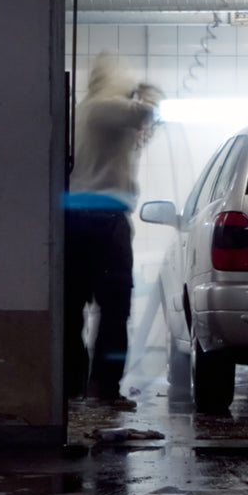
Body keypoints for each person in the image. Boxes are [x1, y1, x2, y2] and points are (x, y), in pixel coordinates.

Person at [64, 50, 162, 405]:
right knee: (114, 309)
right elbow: (146, 110)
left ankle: (72, 386)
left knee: (72, 308)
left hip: (75, 220)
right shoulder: (105, 106)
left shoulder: (84, 111)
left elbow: (116, 146)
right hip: (104, 221)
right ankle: (104, 388)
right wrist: (148, 92)